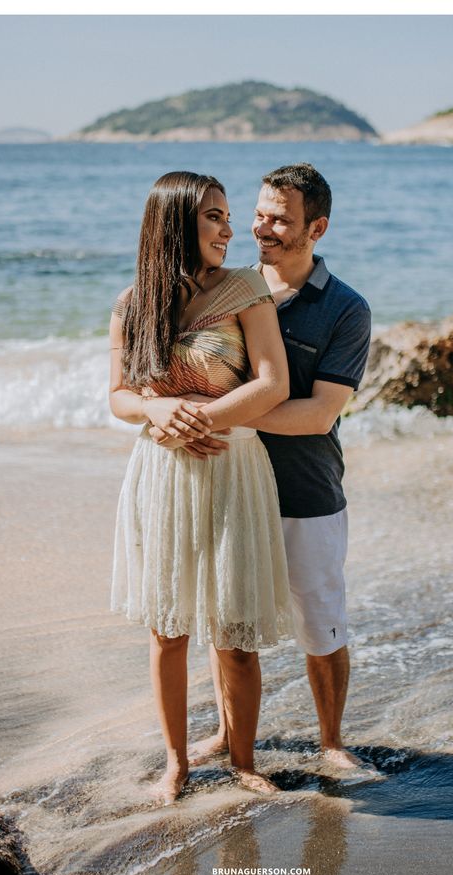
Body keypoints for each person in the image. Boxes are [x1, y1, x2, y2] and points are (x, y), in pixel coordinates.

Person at [151, 163, 375, 773]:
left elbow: (319, 414)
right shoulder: (226, 287)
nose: (261, 227)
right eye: (259, 213)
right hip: (224, 481)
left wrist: (210, 418)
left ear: (317, 228)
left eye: (280, 218)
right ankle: (229, 737)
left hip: (304, 489)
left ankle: (331, 742)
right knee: (228, 620)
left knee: (319, 619)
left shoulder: (346, 309)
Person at [109, 172, 291, 804]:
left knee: (234, 631)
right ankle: (176, 764)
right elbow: (119, 396)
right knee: (168, 629)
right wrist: (156, 414)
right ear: (177, 222)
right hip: (162, 476)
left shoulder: (245, 289)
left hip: (233, 469)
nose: (229, 228)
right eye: (214, 216)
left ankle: (243, 761)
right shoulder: (134, 304)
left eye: (227, 215)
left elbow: (272, 384)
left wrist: (199, 420)